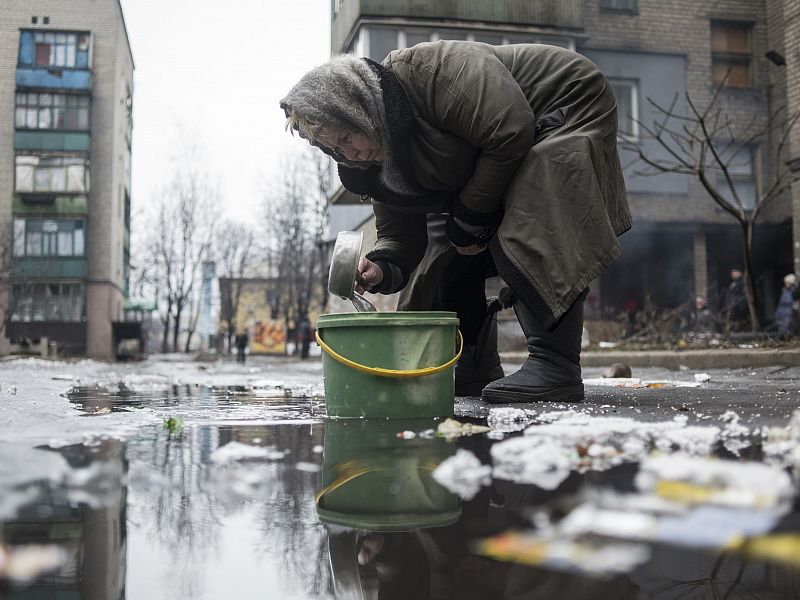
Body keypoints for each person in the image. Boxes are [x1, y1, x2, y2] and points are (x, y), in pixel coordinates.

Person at [281, 41, 631, 403]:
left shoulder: (428, 70)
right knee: (442, 251)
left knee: (533, 203)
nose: (349, 153)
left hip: (562, 102)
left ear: (359, 109)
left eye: (347, 136)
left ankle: (555, 365)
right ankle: (473, 365)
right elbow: (401, 235)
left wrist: (469, 216)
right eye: (335, 148)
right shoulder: (375, 166)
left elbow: (509, 128)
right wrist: (381, 268)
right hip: (498, 151)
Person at [721, 267, 748, 332]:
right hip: (731, 306)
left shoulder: (743, 283)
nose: (732, 274)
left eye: (735, 272)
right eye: (732, 273)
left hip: (737, 307)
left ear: (740, 273)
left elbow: (744, 295)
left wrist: (736, 304)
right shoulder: (733, 283)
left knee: (737, 322)